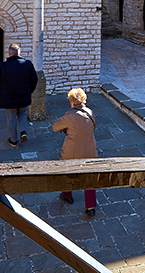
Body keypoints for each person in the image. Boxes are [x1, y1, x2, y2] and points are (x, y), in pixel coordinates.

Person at [52, 87, 98, 216]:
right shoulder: (90, 112)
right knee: (89, 176)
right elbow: (93, 127)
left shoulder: (70, 116)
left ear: (71, 101)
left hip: (72, 150)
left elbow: (55, 127)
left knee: (67, 172)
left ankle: (67, 195)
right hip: (90, 148)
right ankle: (90, 206)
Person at [0, 43, 38, 147]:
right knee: (23, 114)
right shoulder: (27, 64)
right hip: (24, 95)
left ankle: (13, 140)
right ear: (19, 53)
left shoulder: (3, 66)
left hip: (9, 97)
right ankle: (23, 131)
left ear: (9, 54)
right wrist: (30, 91)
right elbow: (35, 79)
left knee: (11, 118)